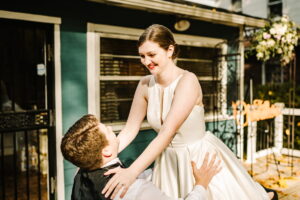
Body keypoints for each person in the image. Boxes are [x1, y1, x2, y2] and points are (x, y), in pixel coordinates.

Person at [102, 24, 276, 200]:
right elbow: (130, 129)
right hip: (167, 162)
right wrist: (102, 156)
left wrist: (131, 172)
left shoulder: (187, 81)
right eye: (142, 56)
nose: (146, 62)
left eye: (152, 55)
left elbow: (167, 133)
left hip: (197, 160)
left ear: (170, 50)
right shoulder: (144, 84)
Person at [60, 114, 221, 200]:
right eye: (108, 131)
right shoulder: (133, 190)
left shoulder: (80, 173)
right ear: (107, 152)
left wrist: (157, 170)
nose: (110, 127)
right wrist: (201, 184)